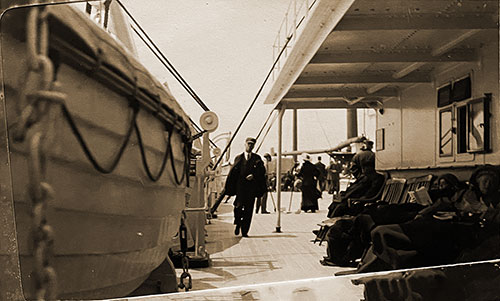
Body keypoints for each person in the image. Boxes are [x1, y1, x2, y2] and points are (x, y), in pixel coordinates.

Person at [361, 165, 500, 273]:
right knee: (420, 224)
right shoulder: (470, 197)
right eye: (484, 182)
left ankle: (393, 239)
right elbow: (450, 205)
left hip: (463, 233)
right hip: (452, 225)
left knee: (427, 229)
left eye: (490, 182)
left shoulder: (494, 204)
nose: (487, 185)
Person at [224, 137, 267, 237]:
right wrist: (229, 187)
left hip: (251, 189)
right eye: (249, 144)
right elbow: (233, 173)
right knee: (238, 207)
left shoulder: (257, 158)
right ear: (245, 144)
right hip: (240, 188)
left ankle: (245, 231)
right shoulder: (239, 158)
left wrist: (254, 175)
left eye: (252, 144)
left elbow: (262, 172)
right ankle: (238, 223)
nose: (250, 146)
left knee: (248, 210)